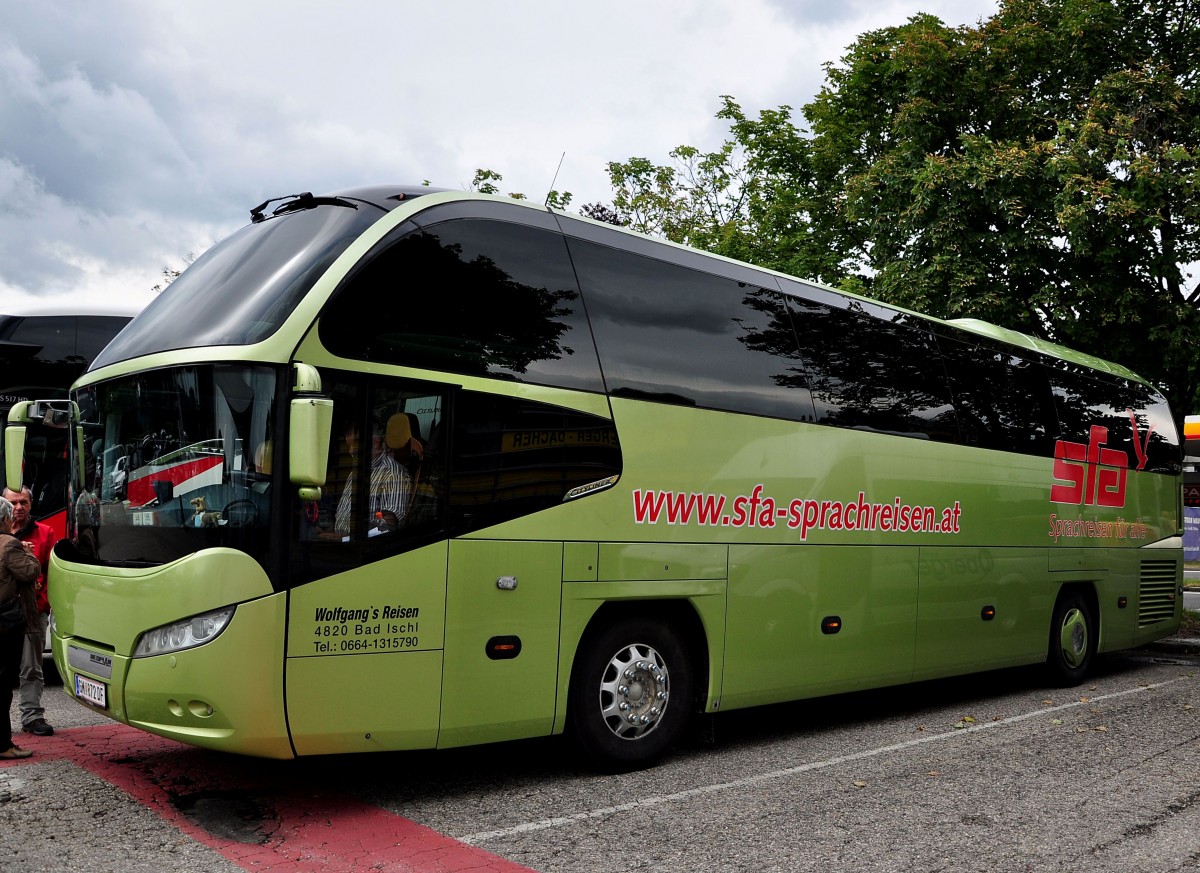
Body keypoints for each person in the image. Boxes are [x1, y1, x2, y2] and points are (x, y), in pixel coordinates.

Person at [3, 487, 58, 737]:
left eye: (23, 502)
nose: (19, 507)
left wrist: (43, 603)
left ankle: (32, 716)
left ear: (31, 504)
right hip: (4, 613)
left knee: (32, 667)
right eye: (13, 503)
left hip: (32, 612)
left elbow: (53, 575)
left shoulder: (46, 533)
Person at [0, 495, 43, 759]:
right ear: (5, 519)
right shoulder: (9, 544)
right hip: (6, 624)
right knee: (3, 686)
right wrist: (27, 551)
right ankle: (3, 744)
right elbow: (31, 571)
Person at [331, 417, 409, 538]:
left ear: (376, 442)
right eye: (349, 446)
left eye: (355, 445)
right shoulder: (358, 470)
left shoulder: (392, 475)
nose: (350, 452)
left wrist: (342, 539)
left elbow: (386, 527)